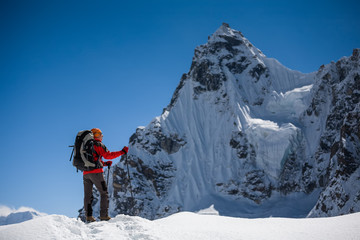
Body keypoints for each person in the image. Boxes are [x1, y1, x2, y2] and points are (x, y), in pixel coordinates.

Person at [84, 128, 128, 222]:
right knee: (104, 193)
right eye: (100, 134)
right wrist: (122, 152)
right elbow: (108, 155)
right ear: (95, 135)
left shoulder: (86, 145)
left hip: (85, 173)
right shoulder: (98, 144)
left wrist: (104, 164)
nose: (102, 136)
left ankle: (88, 216)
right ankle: (103, 215)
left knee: (88, 195)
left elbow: (93, 159)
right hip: (96, 173)